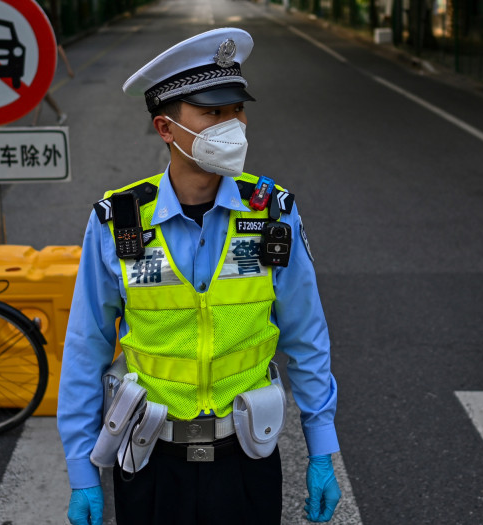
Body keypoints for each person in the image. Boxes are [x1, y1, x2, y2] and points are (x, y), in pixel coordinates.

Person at [58, 28, 342, 525]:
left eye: (237, 110)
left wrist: (322, 450)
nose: (232, 125)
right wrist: (83, 472)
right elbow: (88, 347)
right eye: (212, 113)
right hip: (148, 463)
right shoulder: (118, 221)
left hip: (247, 461)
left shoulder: (272, 214)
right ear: (166, 129)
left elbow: (306, 335)